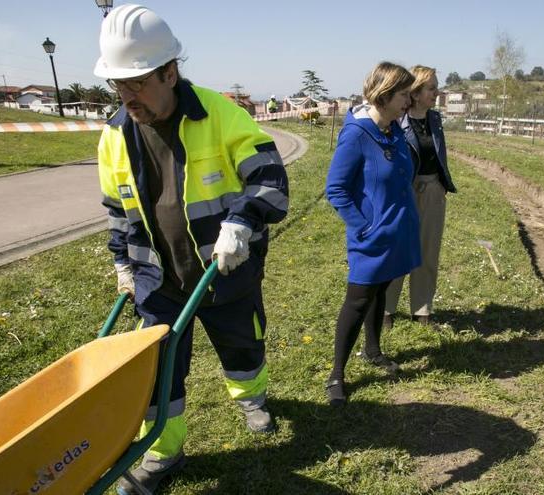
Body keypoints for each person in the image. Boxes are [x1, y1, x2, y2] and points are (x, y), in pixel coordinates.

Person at [94, 5, 289, 493]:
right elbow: (116, 210)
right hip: (157, 280)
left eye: (138, 82)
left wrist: (242, 221)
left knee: (242, 341)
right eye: (120, 85)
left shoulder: (219, 113)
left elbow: (270, 178)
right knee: (157, 370)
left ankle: (251, 398)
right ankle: (161, 449)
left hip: (224, 268)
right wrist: (124, 262)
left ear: (170, 71)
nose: (128, 96)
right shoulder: (114, 135)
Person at [324, 62, 420, 406]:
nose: (409, 100)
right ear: (385, 94)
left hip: (396, 232)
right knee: (358, 300)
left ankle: (373, 350)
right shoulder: (356, 134)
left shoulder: (394, 129)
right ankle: (336, 373)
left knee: (381, 290)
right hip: (372, 237)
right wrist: (364, 225)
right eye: (405, 94)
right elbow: (335, 189)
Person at [384, 65, 457, 328]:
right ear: (415, 93)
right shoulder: (396, 121)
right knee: (398, 250)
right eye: (432, 88)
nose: (437, 92)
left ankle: (422, 310)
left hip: (433, 190)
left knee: (428, 251)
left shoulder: (435, 120)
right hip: (405, 191)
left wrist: (440, 185)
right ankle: (385, 310)